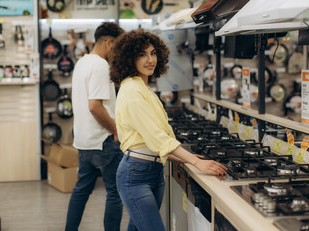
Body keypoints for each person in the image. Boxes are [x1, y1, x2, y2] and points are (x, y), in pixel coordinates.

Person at [109, 29, 227, 231]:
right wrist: (196, 161)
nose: (150, 60)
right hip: (135, 175)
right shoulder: (131, 90)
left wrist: (182, 157)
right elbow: (157, 138)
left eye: (153, 53)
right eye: (142, 54)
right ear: (129, 58)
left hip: (153, 170)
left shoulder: (143, 87)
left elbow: (155, 138)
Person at [65, 22, 125, 231]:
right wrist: (116, 129)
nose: (118, 52)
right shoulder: (100, 66)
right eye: (117, 46)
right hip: (104, 141)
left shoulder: (82, 62)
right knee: (115, 193)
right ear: (108, 43)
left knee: (81, 190)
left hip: (84, 140)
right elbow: (95, 107)